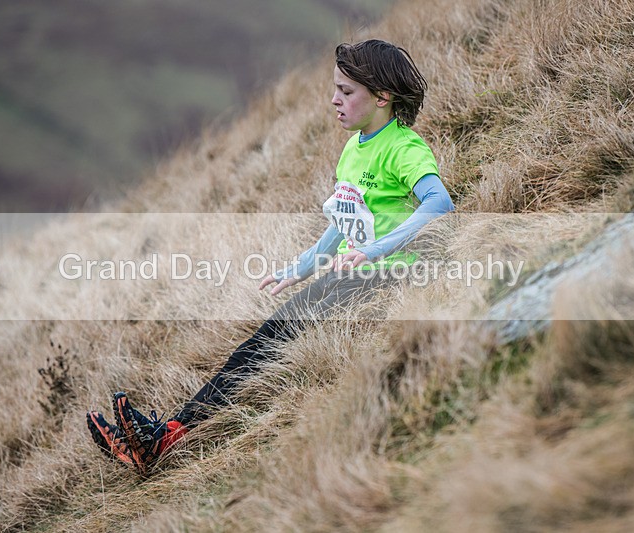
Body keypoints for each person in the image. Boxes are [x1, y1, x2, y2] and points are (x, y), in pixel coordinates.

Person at [86, 39, 455, 475]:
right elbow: (346, 219)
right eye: (334, 88)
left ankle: (162, 438)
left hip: (392, 277)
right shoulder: (354, 148)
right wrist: (301, 266)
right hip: (350, 273)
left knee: (261, 347)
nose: (333, 99)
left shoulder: (404, 147)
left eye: (346, 91)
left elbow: (440, 204)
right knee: (257, 345)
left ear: (382, 97)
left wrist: (372, 252)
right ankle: (163, 434)